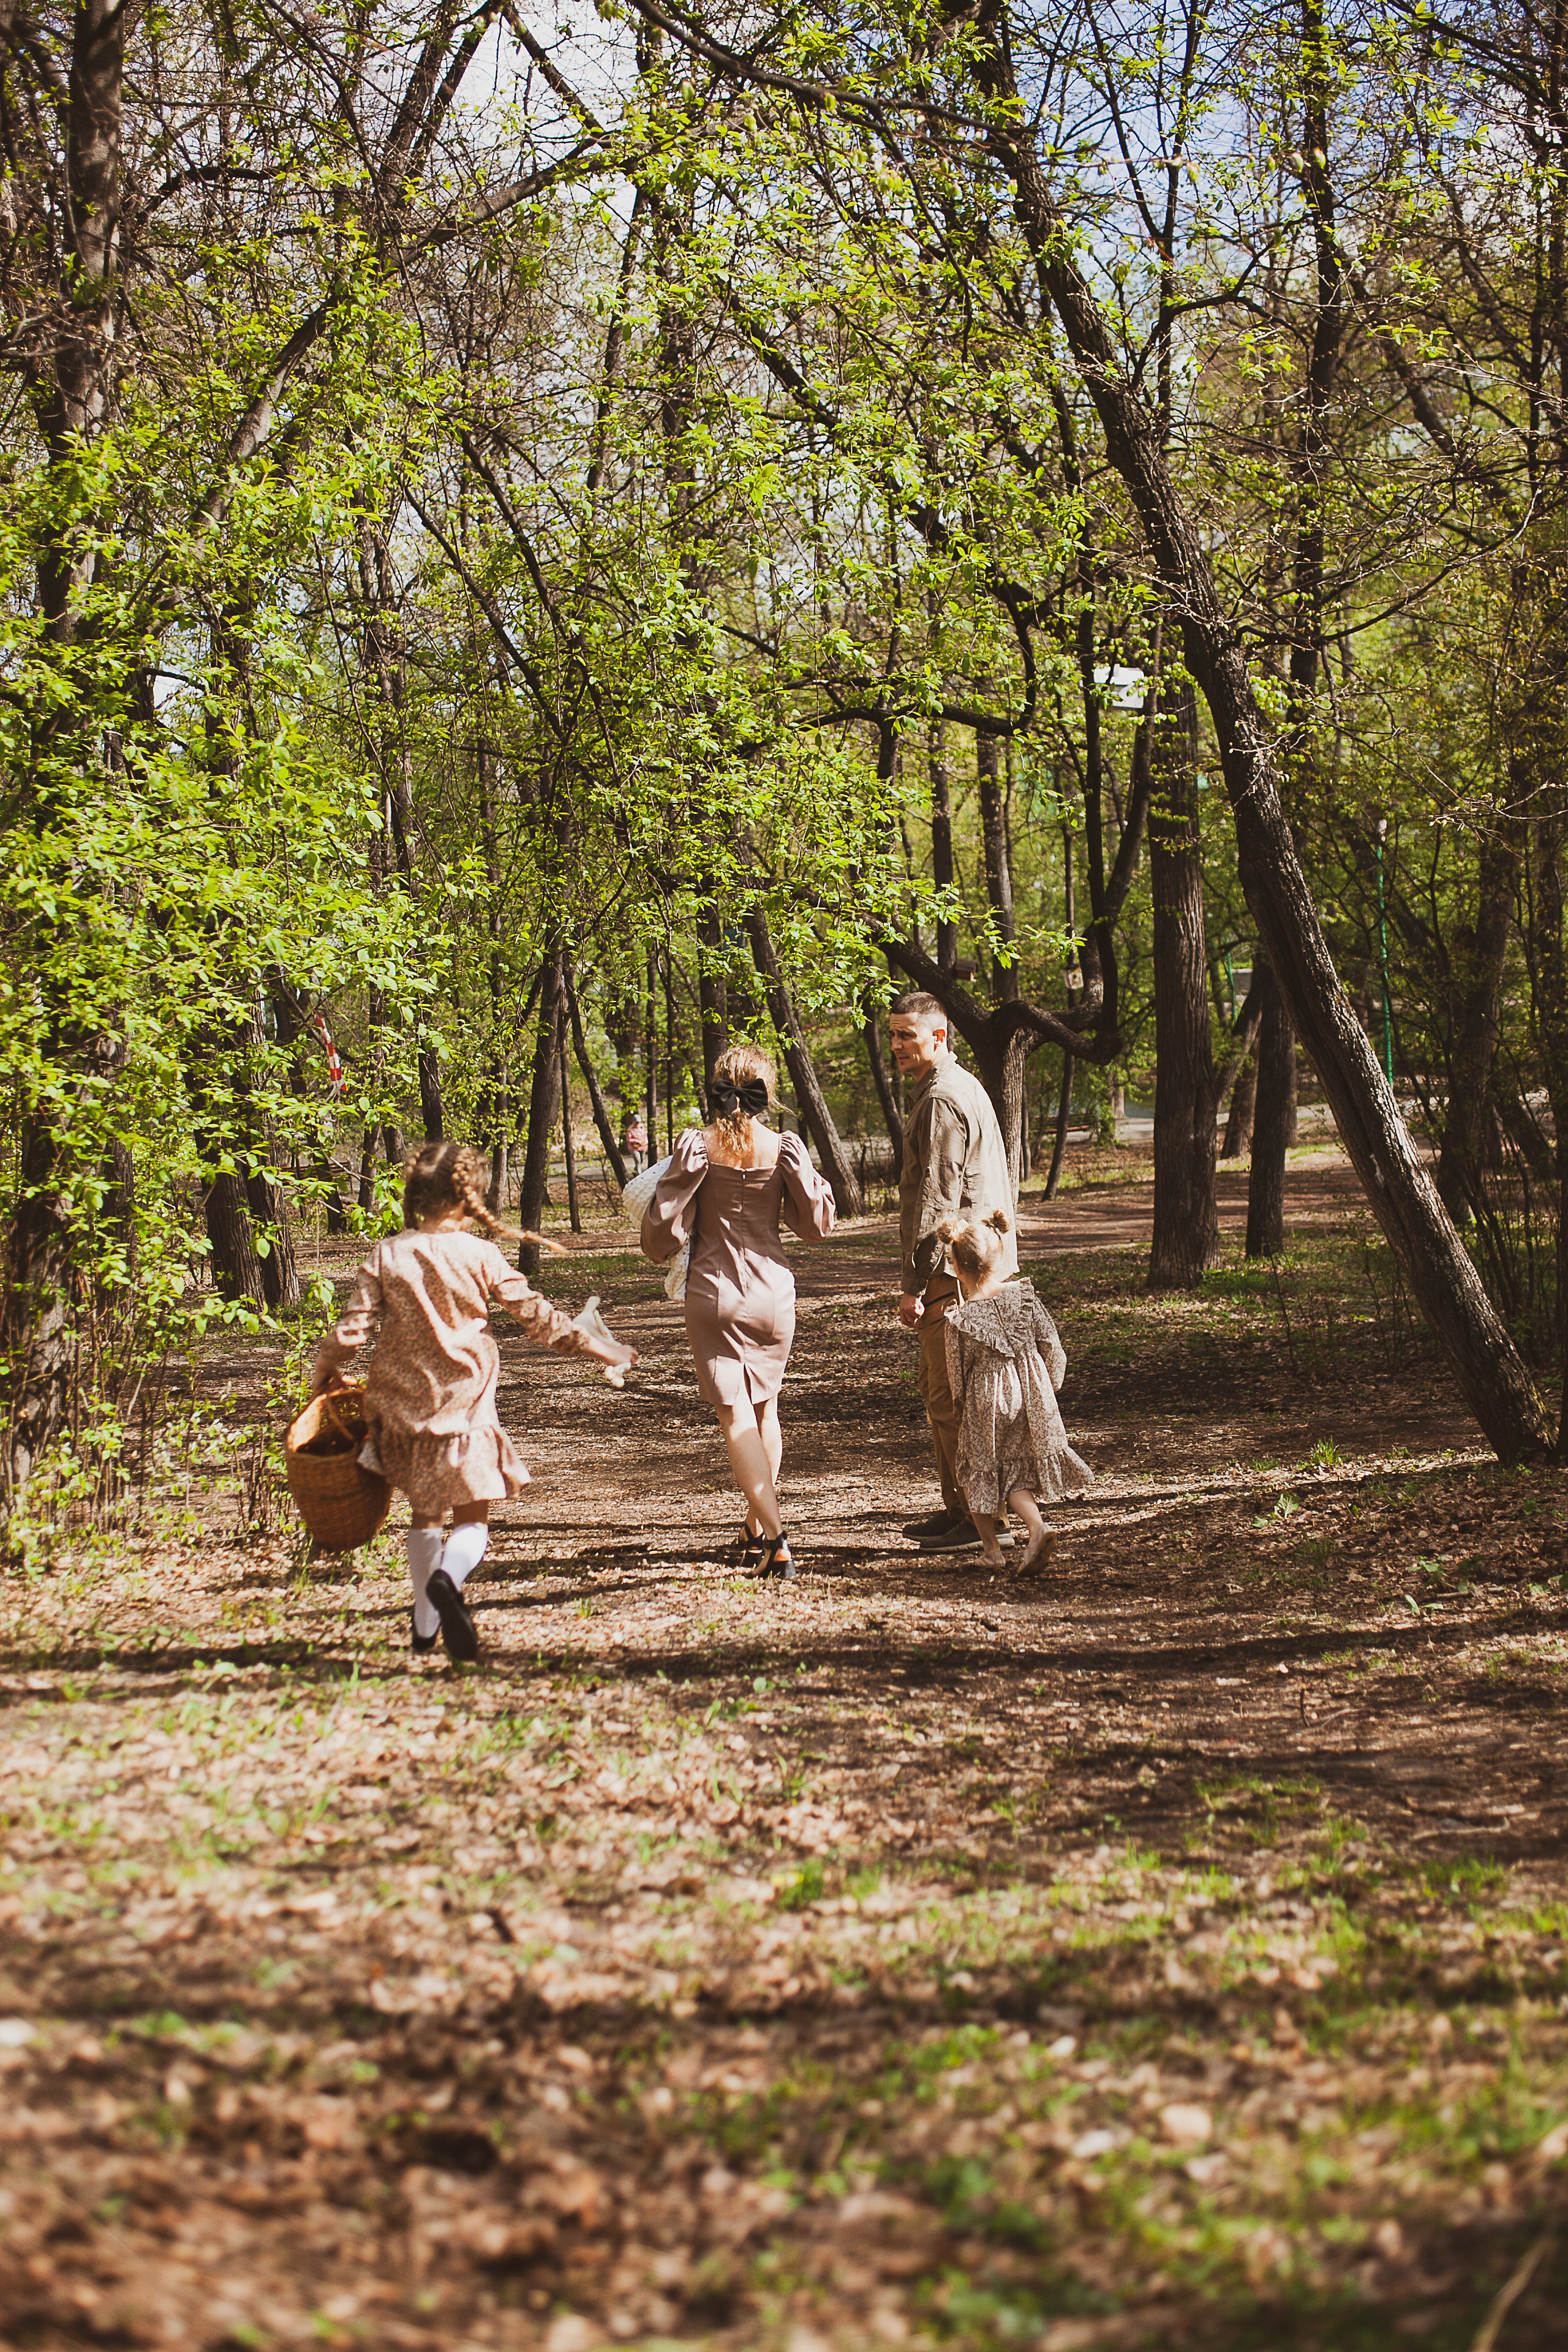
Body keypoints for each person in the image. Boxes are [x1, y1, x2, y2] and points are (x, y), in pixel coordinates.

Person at [311, 1142, 635, 1661]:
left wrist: (324, 1368)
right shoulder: (482, 1255)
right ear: (469, 1197)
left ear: (416, 1197)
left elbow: (352, 1331)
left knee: (424, 1517)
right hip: (466, 1413)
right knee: (472, 1522)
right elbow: (540, 1319)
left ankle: (423, 1629)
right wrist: (604, 1348)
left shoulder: (388, 1254)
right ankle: (448, 1578)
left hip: (403, 1414)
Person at [640, 1041, 835, 1578]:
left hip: (715, 1293)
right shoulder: (785, 1147)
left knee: (735, 1415)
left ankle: (774, 1537)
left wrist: (680, 1177)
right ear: (767, 1093)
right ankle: (754, 1528)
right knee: (766, 1409)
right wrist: (799, 1174)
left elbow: (661, 1240)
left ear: (717, 1090)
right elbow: (816, 1228)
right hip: (774, 1294)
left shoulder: (697, 1149)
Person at [889, 989, 1018, 1553]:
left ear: (938, 1036)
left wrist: (914, 1285)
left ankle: (981, 1517)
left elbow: (936, 1200)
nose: (896, 1045)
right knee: (942, 1392)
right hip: (972, 1268)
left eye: (907, 1035)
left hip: (956, 1274)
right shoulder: (959, 1087)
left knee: (953, 1397)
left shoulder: (943, 1097)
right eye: (892, 1035)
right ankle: (960, 1507)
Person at [940, 1206, 1092, 1570]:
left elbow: (957, 1378)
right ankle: (1037, 1527)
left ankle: (992, 1551)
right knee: (1016, 1474)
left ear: (957, 1268)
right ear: (998, 1257)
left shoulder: (960, 1319)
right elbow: (1052, 1345)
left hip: (987, 1402)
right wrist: (1050, 1386)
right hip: (1031, 1393)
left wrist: (964, 1409)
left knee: (975, 1469)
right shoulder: (1024, 1297)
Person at [624, 1111, 649, 1177]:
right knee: (638, 1161)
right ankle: (640, 1176)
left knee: (641, 1161)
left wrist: (646, 1142)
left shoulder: (642, 1127)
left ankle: (635, 1171)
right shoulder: (631, 1129)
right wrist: (637, 1141)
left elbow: (645, 1136)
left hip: (643, 1147)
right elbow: (629, 1139)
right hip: (634, 1148)